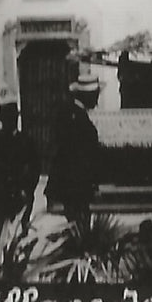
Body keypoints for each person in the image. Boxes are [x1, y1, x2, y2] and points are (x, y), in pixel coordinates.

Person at [0, 102, 41, 252]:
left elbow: (34, 169)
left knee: (18, 233)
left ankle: (15, 266)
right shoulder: (22, 141)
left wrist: (28, 189)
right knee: (0, 235)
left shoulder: (0, 142)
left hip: (16, 195)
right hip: (3, 195)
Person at [46, 78, 101, 231]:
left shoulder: (68, 113)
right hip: (77, 182)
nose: (97, 100)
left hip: (70, 182)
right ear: (87, 96)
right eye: (95, 95)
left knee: (76, 220)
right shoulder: (77, 119)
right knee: (79, 222)